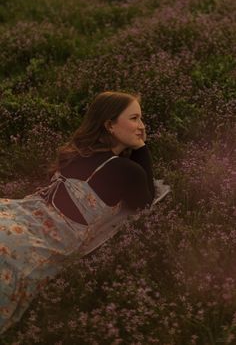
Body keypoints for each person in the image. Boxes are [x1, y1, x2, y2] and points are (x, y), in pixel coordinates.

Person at [0, 91, 159, 334]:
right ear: (110, 125)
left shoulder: (78, 152)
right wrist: (142, 149)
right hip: (48, 232)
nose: (142, 126)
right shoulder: (127, 170)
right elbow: (145, 203)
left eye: (141, 119)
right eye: (135, 118)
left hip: (26, 210)